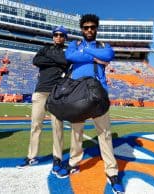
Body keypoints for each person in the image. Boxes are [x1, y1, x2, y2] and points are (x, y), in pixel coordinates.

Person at [55, 14, 125, 193]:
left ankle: (112, 172)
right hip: (77, 93)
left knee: (105, 134)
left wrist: (87, 53)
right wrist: (94, 57)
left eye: (92, 27)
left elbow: (109, 54)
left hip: (98, 93)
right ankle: (73, 163)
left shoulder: (103, 45)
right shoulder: (74, 45)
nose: (89, 30)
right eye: (86, 27)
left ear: (96, 29)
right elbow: (70, 57)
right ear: (81, 29)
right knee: (76, 132)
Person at [17, 26, 69, 174]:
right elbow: (36, 60)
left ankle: (57, 158)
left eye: (61, 35)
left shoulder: (65, 53)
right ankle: (32, 156)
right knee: (35, 125)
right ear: (53, 36)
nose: (58, 37)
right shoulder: (45, 48)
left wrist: (51, 59)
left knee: (57, 127)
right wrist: (57, 60)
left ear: (65, 38)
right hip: (40, 92)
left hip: (56, 93)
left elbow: (65, 62)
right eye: (56, 34)